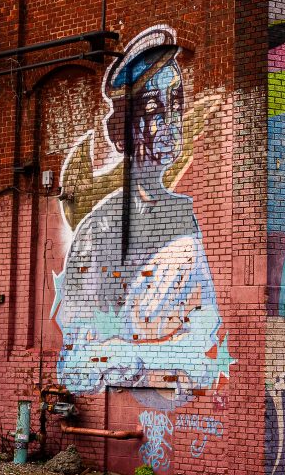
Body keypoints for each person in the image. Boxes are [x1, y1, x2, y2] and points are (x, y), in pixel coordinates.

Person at [51, 26, 231, 403]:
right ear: (123, 133)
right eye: (153, 109)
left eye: (177, 103)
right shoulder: (99, 230)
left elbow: (207, 331)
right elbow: (77, 363)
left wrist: (163, 351)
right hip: (146, 401)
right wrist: (165, 355)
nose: (171, 121)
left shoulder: (186, 215)